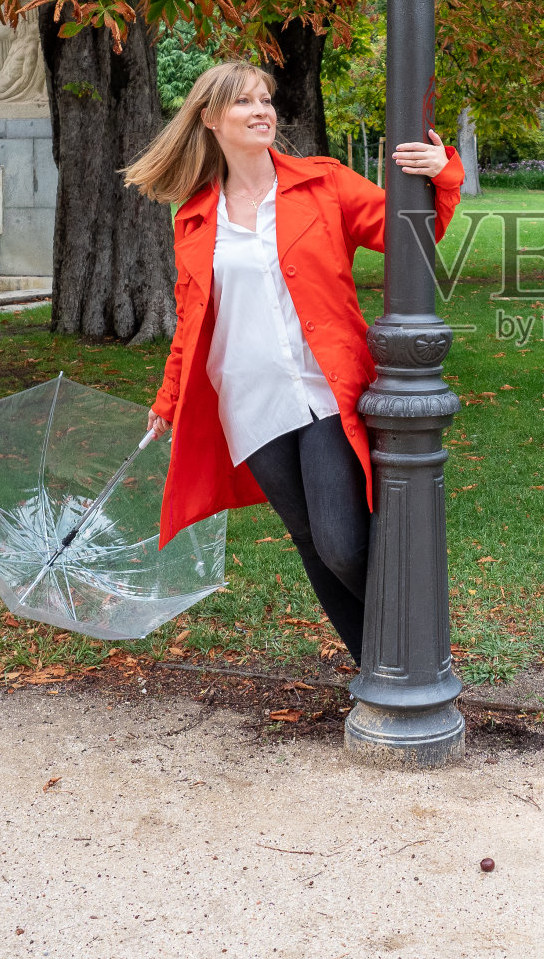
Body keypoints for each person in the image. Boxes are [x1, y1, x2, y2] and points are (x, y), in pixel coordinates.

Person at [123, 62, 463, 665]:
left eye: (265, 100)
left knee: (342, 544)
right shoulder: (195, 219)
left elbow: (411, 234)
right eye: (243, 102)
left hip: (326, 388)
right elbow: (192, 318)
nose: (261, 111)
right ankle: (375, 670)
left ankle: (413, 649)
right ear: (209, 119)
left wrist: (445, 176)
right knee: (309, 541)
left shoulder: (323, 183)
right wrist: (168, 399)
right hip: (250, 400)